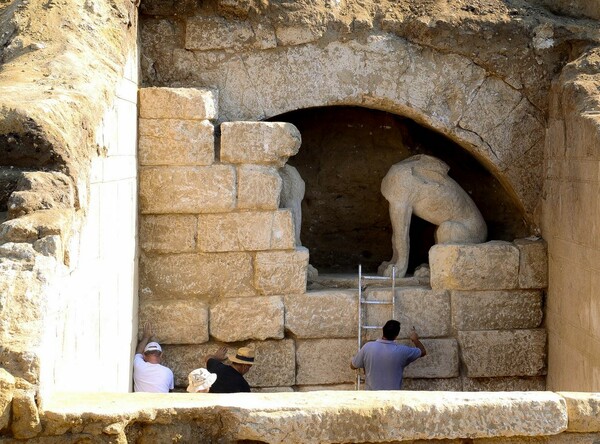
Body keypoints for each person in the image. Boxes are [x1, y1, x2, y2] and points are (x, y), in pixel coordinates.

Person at [351, 320, 426, 390]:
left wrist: (363, 362)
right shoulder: (402, 351)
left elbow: (353, 365)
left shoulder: (368, 347)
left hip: (372, 398)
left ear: (383, 329)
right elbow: (422, 351)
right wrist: (415, 339)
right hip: (392, 398)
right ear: (396, 335)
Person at [133, 323, 174, 393]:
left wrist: (146, 337)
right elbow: (171, 390)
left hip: (140, 403)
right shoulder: (168, 372)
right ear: (161, 355)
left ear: (144, 355)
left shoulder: (138, 365)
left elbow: (138, 351)